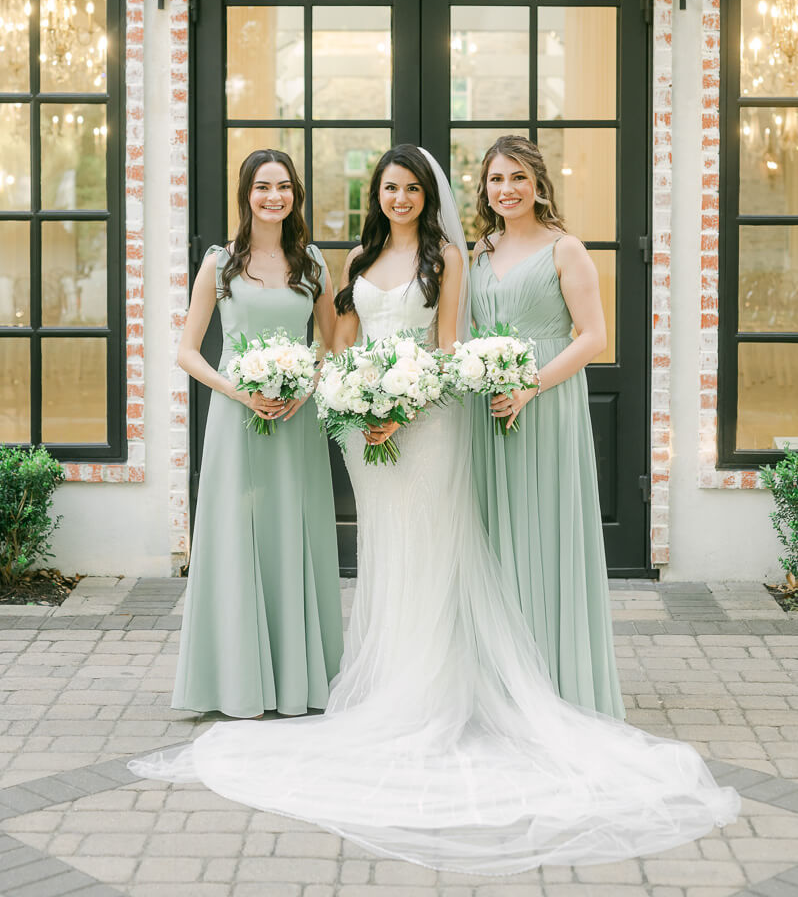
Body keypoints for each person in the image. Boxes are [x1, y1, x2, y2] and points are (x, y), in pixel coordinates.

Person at [130, 145, 737, 875]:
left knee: (436, 547)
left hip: (432, 421)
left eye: (412, 187)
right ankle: (388, 684)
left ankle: (439, 692)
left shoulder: (449, 258)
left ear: (428, 194)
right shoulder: (351, 260)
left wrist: (405, 400)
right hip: (367, 425)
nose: (401, 198)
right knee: (389, 553)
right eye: (390, 187)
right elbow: (342, 342)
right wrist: (362, 404)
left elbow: (449, 347)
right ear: (375, 194)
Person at [170, 148, 343, 719]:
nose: (274, 197)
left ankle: (299, 680)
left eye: (285, 187)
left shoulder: (312, 260)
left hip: (295, 420)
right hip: (235, 417)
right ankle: (236, 680)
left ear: (297, 195)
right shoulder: (219, 264)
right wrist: (241, 390)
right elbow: (187, 352)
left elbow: (329, 343)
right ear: (246, 194)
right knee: (234, 538)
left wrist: (304, 386)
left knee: (293, 534)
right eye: (263, 187)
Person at [471, 134, 625, 718]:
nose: (506, 190)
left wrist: (530, 385)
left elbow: (593, 338)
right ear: (484, 188)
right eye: (495, 180)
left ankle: (555, 682)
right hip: (488, 410)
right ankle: (499, 682)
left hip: (545, 405)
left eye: (517, 178)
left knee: (543, 530)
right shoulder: (481, 250)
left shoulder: (566, 249)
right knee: (493, 534)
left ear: (538, 184)